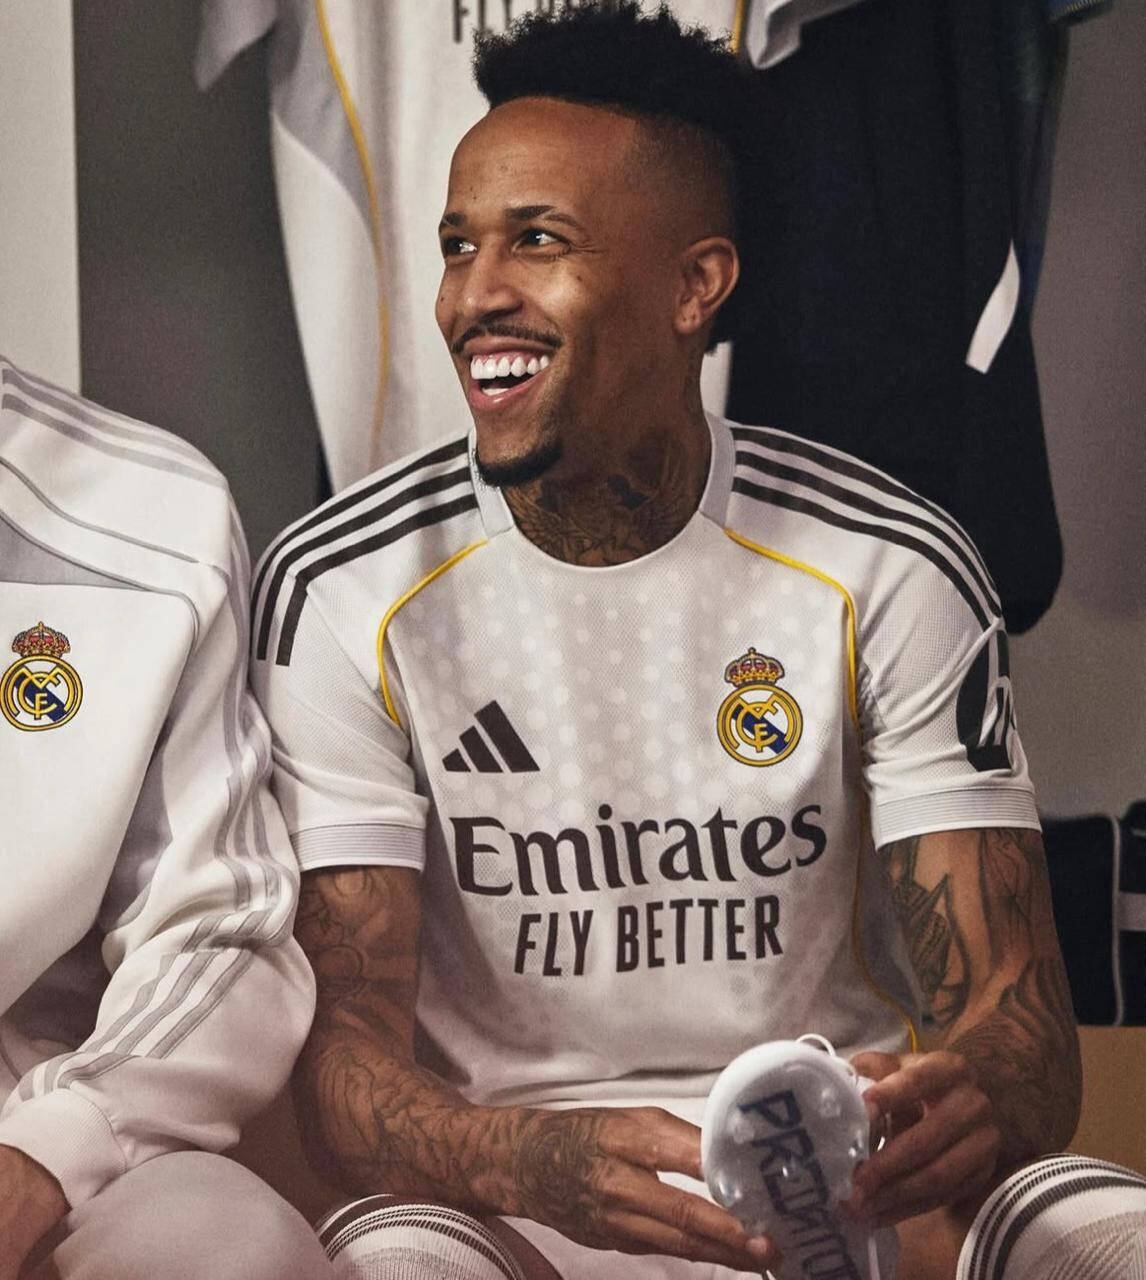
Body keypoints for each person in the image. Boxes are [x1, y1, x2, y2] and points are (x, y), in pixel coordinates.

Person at [251, 5, 1139, 1277]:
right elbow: (344, 1074)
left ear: (694, 285)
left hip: (836, 1189)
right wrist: (531, 1161)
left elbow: (1022, 1025)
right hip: (508, 1201)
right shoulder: (342, 586)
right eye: (458, 246)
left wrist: (974, 1097)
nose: (472, 296)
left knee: (1108, 1231)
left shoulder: (890, 562)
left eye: (536, 241)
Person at [0, 357, 336, 1279]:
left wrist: (44, 1154)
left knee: (234, 1249)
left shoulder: (153, 512)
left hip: (39, 1122)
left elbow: (219, 929)